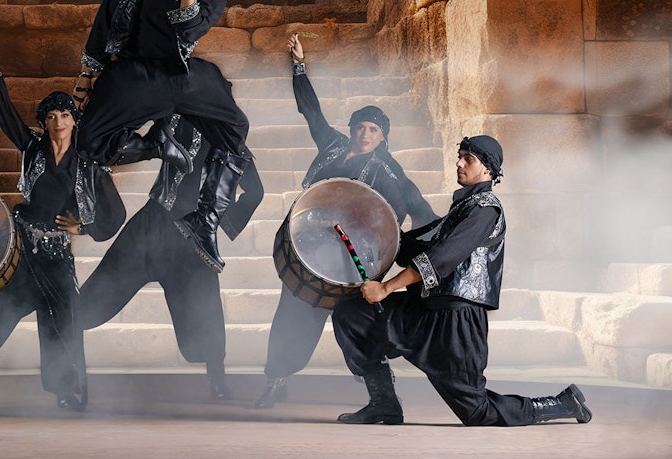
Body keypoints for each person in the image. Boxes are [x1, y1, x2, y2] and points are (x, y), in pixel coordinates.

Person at [332, 135, 593, 426]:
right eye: (460, 156)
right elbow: (412, 249)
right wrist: (370, 226)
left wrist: (386, 287)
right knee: (352, 314)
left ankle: (561, 403)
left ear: (488, 170)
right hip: (425, 309)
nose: (459, 163)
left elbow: (442, 258)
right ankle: (384, 404)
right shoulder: (461, 209)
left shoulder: (485, 209)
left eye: (468, 158)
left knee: (477, 412)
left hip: (457, 321)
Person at [254, 33, 436, 409]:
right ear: (352, 128)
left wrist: (445, 235)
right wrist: (299, 67)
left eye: (374, 130)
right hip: (308, 243)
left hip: (350, 257)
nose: (365, 134)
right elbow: (311, 111)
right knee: (291, 311)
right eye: (361, 127)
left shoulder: (387, 169)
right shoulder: (333, 144)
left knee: (355, 319)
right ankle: (276, 379)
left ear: (383, 136)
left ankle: (377, 389)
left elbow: (412, 205)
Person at [0, 34, 125, 411]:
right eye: (50, 116)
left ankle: (68, 389)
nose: (57, 122)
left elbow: (116, 215)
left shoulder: (89, 166)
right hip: (19, 247)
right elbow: (6, 116)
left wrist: (85, 229)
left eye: (64, 115)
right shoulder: (33, 149)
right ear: (44, 124)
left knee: (63, 317)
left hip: (57, 253)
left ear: (74, 121)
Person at [72, 0, 251, 273]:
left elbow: (188, 33)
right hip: (135, 73)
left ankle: (206, 219)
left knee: (235, 127)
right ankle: (158, 145)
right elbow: (106, 16)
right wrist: (88, 72)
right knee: (89, 141)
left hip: (183, 75)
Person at [79, 115, 264, 399]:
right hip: (153, 228)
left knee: (206, 312)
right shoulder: (176, 119)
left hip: (187, 237)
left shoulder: (226, 139)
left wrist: (219, 220)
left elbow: (256, 191)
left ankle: (217, 380)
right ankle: (68, 369)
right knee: (94, 298)